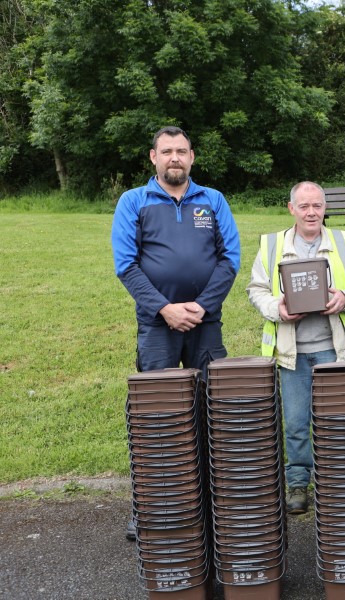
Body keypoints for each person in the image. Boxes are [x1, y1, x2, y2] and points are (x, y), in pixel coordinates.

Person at [112, 126, 241, 540]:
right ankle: (150, 507)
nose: (174, 158)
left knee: (212, 413)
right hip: (156, 326)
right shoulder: (134, 201)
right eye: (166, 151)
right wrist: (165, 308)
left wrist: (201, 307)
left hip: (207, 326)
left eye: (181, 151)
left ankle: (211, 505)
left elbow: (230, 259)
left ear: (192, 157)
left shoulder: (213, 200)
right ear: (153, 157)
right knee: (158, 418)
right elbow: (126, 265)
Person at [247, 182, 345, 514]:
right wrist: (278, 309)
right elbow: (256, 289)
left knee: (338, 420)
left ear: (325, 208)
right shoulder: (272, 245)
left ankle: (339, 481)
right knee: (297, 422)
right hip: (293, 352)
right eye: (304, 206)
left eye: (317, 206)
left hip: (335, 348)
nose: (311, 212)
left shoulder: (343, 242)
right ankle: (299, 483)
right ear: (292, 209)